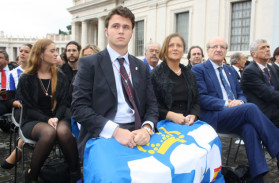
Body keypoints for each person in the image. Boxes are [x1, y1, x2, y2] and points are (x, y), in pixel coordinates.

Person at [192, 37, 279, 182]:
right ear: (208, 50)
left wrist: (240, 101)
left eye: (222, 47)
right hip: (214, 115)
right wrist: (227, 104)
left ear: (226, 51)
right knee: (250, 108)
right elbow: (202, 98)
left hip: (234, 114)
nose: (218, 49)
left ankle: (257, 178)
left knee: (249, 128)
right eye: (214, 46)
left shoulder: (229, 70)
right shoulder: (199, 69)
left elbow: (241, 92)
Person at [71, 6, 158, 160]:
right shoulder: (89, 63)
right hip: (103, 133)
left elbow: (151, 105)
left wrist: (147, 128)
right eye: (115, 26)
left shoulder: (142, 66)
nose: (121, 31)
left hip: (138, 132)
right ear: (106, 31)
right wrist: (115, 131)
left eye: (126, 27)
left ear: (132, 32)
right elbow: (79, 107)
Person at [18, 39, 81, 183]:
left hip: (57, 117)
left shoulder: (59, 76)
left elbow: (63, 103)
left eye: (56, 51)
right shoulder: (26, 79)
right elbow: (28, 109)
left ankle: (74, 174)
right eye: (52, 51)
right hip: (33, 120)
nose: (56, 54)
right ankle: (32, 177)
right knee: (49, 132)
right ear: (40, 54)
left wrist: (56, 118)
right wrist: (47, 119)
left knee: (64, 132)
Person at [241, 39, 279, 159]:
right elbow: (269, 94)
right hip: (261, 113)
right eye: (262, 47)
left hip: (274, 108)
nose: (267, 49)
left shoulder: (270, 68)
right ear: (254, 53)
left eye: (268, 46)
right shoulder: (250, 71)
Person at [151, 33, 199, 125]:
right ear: (165, 50)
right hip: (164, 122)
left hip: (189, 122)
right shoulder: (155, 75)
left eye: (179, 46)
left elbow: (196, 100)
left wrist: (194, 114)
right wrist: (170, 115)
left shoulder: (190, 74)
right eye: (171, 45)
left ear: (183, 50)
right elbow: (151, 105)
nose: (175, 48)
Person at [1, 44, 32, 170]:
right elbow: (9, 99)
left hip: (37, 108)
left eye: (26, 51)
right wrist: (17, 103)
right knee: (27, 114)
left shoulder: (39, 71)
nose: (22, 54)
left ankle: (20, 144)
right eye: (21, 51)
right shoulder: (13, 73)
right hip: (21, 108)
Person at [0, 50, 12, 133]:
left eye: (0, 58)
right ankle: (6, 127)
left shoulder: (14, 69)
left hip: (13, 100)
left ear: (7, 60)